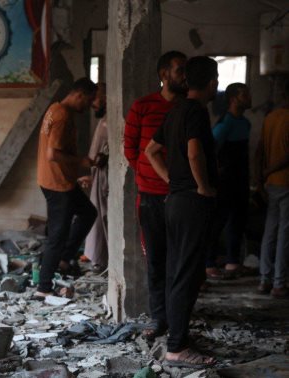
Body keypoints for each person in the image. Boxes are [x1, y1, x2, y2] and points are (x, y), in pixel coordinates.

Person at [145, 56, 219, 368]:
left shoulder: (175, 111)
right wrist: (202, 185)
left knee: (177, 271)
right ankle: (177, 347)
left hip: (174, 201)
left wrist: (172, 181)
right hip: (190, 202)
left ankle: (178, 338)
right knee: (187, 275)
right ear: (212, 81)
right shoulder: (196, 112)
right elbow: (193, 151)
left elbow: (150, 152)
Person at [124, 50, 187, 340]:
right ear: (164, 75)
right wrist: (149, 177)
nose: (183, 76)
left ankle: (177, 318)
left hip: (180, 198)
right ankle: (158, 317)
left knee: (180, 261)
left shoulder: (188, 108)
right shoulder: (143, 106)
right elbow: (130, 149)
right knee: (156, 261)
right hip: (150, 197)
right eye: (178, 70)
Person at [35, 77, 98, 298]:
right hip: (57, 183)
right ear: (79, 94)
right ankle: (43, 288)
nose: (89, 107)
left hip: (57, 180)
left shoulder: (55, 108)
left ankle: (64, 258)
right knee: (57, 236)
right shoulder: (62, 115)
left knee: (88, 213)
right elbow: (53, 154)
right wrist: (81, 162)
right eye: (88, 101)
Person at [206, 83, 252, 279]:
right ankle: (208, 264)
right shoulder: (225, 124)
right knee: (217, 222)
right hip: (225, 182)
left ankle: (232, 263)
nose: (249, 98)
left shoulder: (245, 123)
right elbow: (210, 150)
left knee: (238, 220)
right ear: (233, 99)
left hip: (241, 180)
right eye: (245, 94)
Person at [256, 81, 289, 298]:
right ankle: (279, 283)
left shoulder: (269, 118)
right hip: (286, 182)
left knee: (270, 231)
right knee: (285, 234)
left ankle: (264, 280)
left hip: (271, 184)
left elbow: (259, 151)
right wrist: (270, 170)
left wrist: (261, 176)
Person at [79, 83, 109, 273]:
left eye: (96, 98)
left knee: (102, 217)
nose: (93, 104)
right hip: (99, 175)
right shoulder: (103, 120)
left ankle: (102, 259)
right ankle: (98, 257)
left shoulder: (110, 120)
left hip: (107, 179)